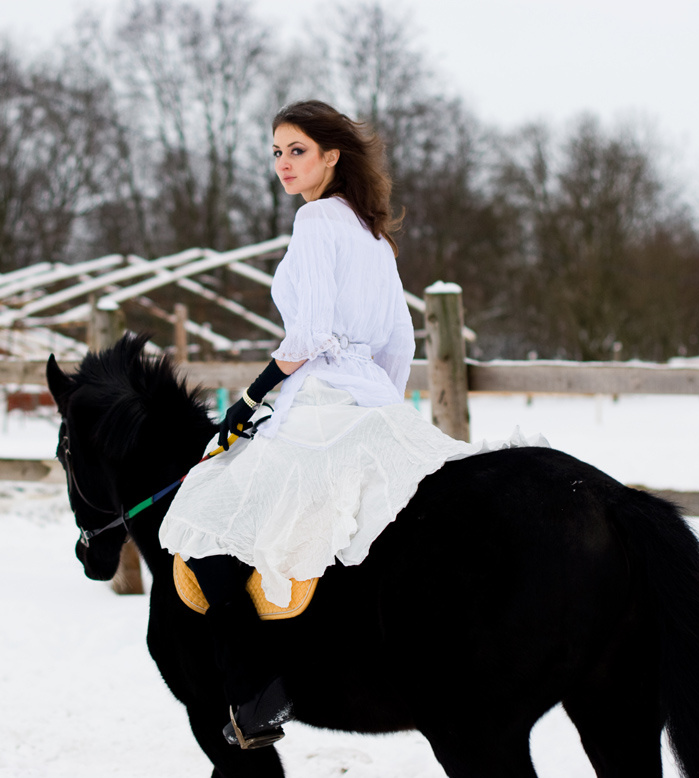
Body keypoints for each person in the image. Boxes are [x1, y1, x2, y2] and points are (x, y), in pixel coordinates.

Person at [159, 100, 487, 749]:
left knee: (203, 509)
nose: (283, 163)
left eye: (297, 150)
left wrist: (252, 396)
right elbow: (399, 339)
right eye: (277, 152)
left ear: (332, 155)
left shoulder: (315, 220)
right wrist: (379, 405)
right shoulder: (373, 236)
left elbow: (306, 336)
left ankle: (253, 689)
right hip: (371, 397)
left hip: (318, 396)